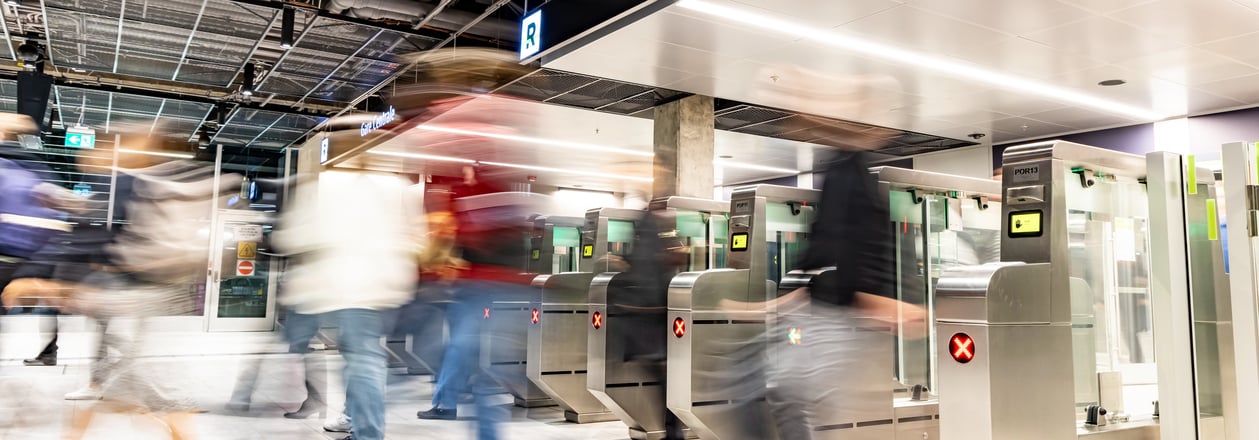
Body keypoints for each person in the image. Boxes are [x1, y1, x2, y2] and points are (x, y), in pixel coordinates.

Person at [273, 164, 418, 440]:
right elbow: (413, 237)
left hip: (352, 287)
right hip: (385, 287)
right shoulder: (394, 185)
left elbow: (297, 236)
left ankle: (367, 432)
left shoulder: (328, 185)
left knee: (363, 359)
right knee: (361, 355)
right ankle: (353, 417)